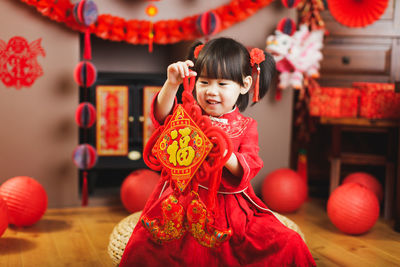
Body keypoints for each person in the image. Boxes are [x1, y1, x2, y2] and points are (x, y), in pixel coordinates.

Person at [119, 37, 316, 267]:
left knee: (287, 242)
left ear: (244, 85)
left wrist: (224, 154)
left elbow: (249, 165)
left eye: (222, 84)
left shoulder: (246, 126)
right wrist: (172, 83)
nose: (211, 92)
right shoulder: (189, 113)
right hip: (182, 200)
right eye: (204, 82)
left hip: (229, 207)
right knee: (146, 244)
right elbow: (162, 117)